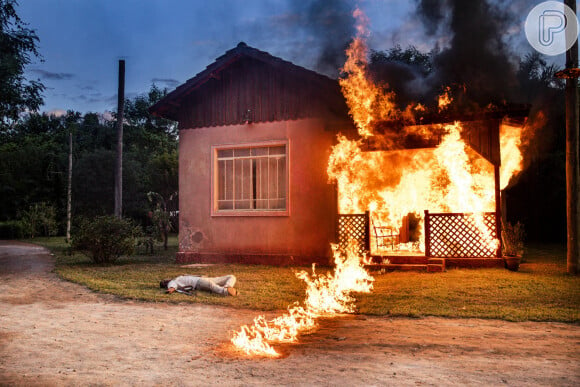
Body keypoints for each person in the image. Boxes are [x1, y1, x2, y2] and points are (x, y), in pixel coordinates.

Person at [160, 274, 238, 296]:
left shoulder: (178, 277)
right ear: (165, 283)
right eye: (164, 280)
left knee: (231, 276)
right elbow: (172, 287)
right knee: (213, 286)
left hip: (204, 279)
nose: (166, 279)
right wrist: (169, 290)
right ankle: (225, 291)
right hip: (199, 283)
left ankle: (227, 286)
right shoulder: (172, 282)